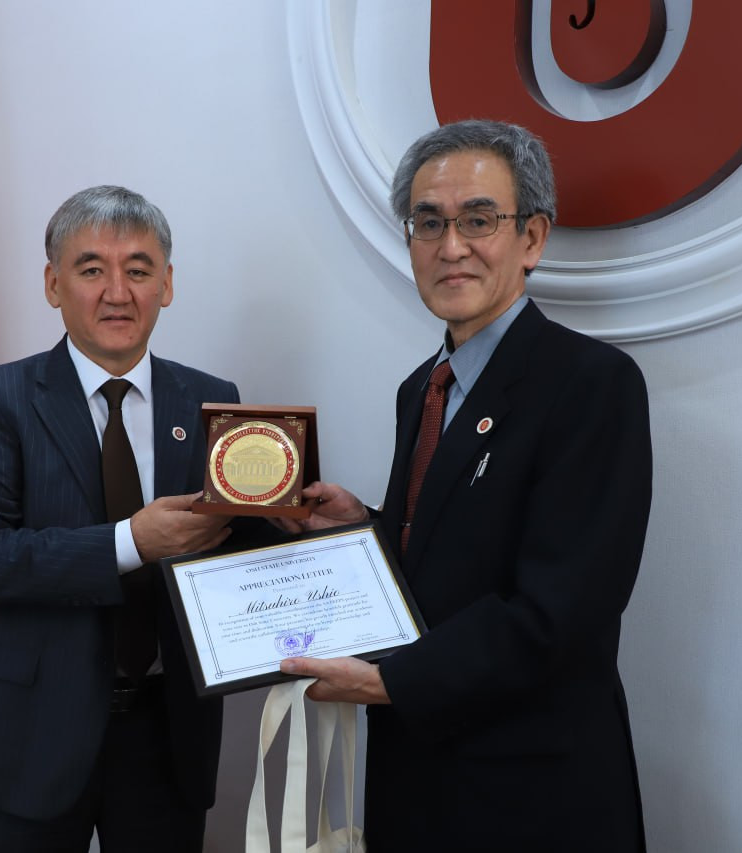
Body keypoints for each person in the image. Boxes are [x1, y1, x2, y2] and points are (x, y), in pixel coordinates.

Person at [278, 120, 652, 850]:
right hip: (417, 774)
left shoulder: (591, 384)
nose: (450, 247)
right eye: (429, 223)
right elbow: (453, 547)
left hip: (530, 787)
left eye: (479, 220)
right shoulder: (422, 387)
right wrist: (367, 526)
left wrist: (388, 683)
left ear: (532, 238)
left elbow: (562, 611)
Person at [0, 185, 241, 852]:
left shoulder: (213, 400)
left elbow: (224, 544)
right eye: (91, 269)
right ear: (54, 284)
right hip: (30, 732)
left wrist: (289, 527)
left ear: (167, 285)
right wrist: (131, 542)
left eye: (138, 270)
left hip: (167, 735)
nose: (117, 293)